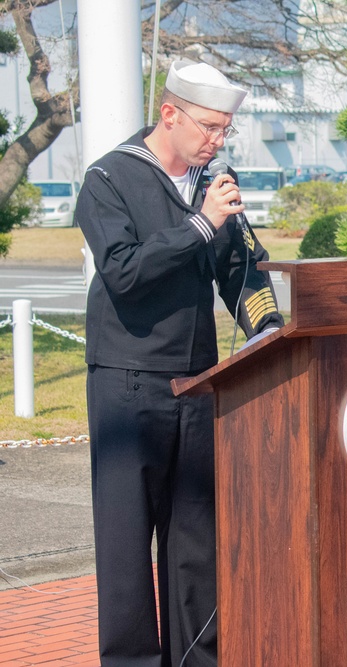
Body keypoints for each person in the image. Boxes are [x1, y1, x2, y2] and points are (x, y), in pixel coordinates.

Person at [76, 59, 285, 666]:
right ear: (170, 114)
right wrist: (200, 224)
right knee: (125, 540)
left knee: (196, 537)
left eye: (224, 131)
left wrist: (266, 326)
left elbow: (241, 268)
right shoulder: (108, 179)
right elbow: (124, 271)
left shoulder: (211, 184)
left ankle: (199, 657)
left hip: (198, 383)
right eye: (209, 129)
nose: (216, 142)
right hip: (127, 383)